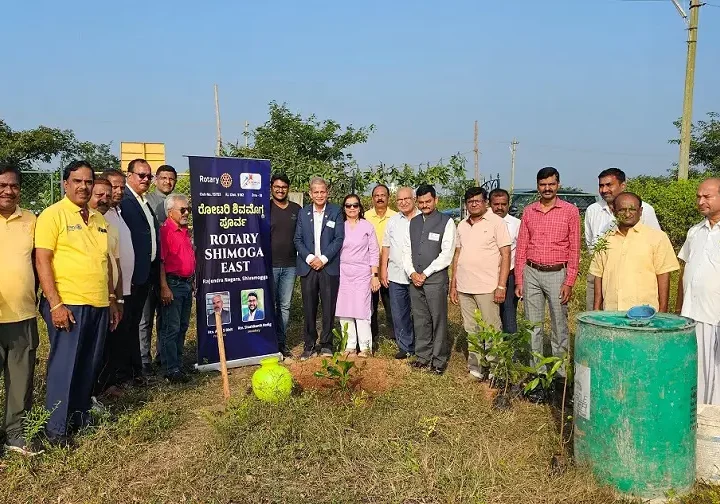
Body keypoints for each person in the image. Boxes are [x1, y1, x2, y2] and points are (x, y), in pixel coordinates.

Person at [35, 160, 120, 446]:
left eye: (88, 181)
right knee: (65, 367)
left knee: (88, 365)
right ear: (65, 184)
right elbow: (42, 260)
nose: (83, 186)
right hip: (68, 304)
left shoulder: (98, 219)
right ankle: (55, 431)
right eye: (77, 181)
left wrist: (111, 300)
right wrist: (55, 304)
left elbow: (104, 263)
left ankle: (79, 420)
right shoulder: (52, 215)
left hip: (97, 304)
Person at [515, 167, 580, 376]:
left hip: (557, 273)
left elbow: (575, 248)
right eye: (543, 185)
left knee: (559, 325)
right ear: (537, 186)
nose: (547, 188)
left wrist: (569, 281)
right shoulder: (529, 211)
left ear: (558, 185)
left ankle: (559, 374)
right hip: (531, 273)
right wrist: (519, 280)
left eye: (551, 184)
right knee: (533, 325)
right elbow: (522, 247)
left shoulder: (569, 211)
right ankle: (538, 372)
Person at [0, 162, 42, 456]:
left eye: (13, 186)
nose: (8, 191)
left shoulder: (32, 220)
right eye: (2, 185)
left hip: (23, 314)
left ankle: (15, 435)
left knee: (21, 380)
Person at [451, 187, 511, 380]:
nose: (474, 204)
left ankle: (496, 369)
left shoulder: (496, 222)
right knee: (471, 329)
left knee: (491, 328)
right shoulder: (461, 225)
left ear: (485, 202)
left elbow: (506, 254)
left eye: (477, 200)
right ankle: (476, 368)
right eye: (470, 201)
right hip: (465, 287)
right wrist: (454, 284)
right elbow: (458, 254)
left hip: (488, 287)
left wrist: (501, 285)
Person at [584, 168, 661, 310]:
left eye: (609, 185)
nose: (604, 190)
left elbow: (656, 243)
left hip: (634, 278)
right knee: (596, 319)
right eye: (601, 185)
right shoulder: (592, 210)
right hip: (598, 273)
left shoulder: (644, 209)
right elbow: (591, 243)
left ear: (623, 186)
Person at [590, 192, 678, 312]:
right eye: (622, 210)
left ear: (640, 211)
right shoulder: (605, 239)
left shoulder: (657, 237)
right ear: (614, 211)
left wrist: (662, 312)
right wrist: (596, 310)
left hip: (645, 313)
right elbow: (598, 275)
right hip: (611, 313)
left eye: (632, 209)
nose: (627, 214)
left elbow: (663, 275)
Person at [402, 184, 456, 374]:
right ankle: (423, 356)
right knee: (420, 318)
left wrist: (426, 273)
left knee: (438, 319)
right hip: (415, 280)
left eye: (428, 201)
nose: (425, 205)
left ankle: (439, 360)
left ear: (436, 200)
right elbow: (406, 250)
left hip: (435, 280)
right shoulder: (414, 222)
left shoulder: (446, 222)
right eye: (421, 202)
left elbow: (447, 254)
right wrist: (411, 273)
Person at [677, 178, 720, 405]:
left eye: (707, 196)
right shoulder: (695, 231)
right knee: (695, 374)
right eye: (698, 196)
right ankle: (698, 421)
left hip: (715, 316)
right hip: (692, 315)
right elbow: (685, 271)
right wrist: (678, 309)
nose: (700, 201)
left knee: (716, 374)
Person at [294, 177, 345, 360]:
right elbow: (297, 240)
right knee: (309, 307)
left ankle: (327, 344)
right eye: (316, 192)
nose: (319, 195)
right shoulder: (303, 213)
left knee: (328, 307)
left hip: (328, 266)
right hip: (308, 267)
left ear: (327, 192)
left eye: (322, 191)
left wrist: (323, 259)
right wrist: (309, 258)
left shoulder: (336, 211)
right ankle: (309, 345)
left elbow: (339, 239)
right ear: (310, 194)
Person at [96, 169, 135, 396]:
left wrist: (119, 296)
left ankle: (112, 381)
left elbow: (117, 259)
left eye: (119, 189)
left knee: (119, 338)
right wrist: (113, 296)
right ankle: (102, 386)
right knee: (107, 342)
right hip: (101, 295)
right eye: (113, 188)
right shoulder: (100, 217)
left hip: (123, 289)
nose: (114, 194)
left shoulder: (117, 213)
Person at [120, 158, 160, 380]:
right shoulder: (124, 201)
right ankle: (127, 371)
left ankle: (135, 369)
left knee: (135, 323)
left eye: (148, 176)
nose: (145, 179)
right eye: (141, 175)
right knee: (129, 325)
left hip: (146, 273)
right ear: (129, 175)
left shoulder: (143, 201)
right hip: (131, 276)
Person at [88, 179, 125, 398]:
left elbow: (114, 263)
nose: (104, 200)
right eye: (99, 195)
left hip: (108, 296)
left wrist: (117, 298)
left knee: (105, 346)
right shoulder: (83, 224)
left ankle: (101, 389)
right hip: (87, 297)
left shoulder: (108, 224)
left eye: (107, 196)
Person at [140, 165, 177, 368]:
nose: (167, 182)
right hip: (149, 268)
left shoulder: (178, 202)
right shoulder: (146, 202)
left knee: (166, 318)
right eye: (163, 178)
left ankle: (163, 358)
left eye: (171, 179)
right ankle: (143, 360)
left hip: (169, 269)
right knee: (145, 318)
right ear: (156, 179)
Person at [336, 194, 380, 357]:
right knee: (345, 310)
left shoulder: (367, 226)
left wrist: (374, 275)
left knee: (361, 310)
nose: (352, 208)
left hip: (362, 274)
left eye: (355, 205)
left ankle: (366, 347)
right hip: (343, 273)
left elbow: (374, 252)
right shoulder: (340, 226)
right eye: (348, 205)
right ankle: (349, 345)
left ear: (360, 207)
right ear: (344, 208)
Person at [158, 194, 194, 384]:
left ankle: (178, 364)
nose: (186, 212)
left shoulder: (185, 230)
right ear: (170, 212)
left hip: (186, 284)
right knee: (170, 328)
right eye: (183, 209)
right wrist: (164, 287)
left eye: (188, 209)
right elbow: (161, 262)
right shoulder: (165, 232)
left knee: (182, 326)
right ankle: (170, 369)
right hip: (173, 284)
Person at [381, 187, 420, 359]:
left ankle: (422, 345)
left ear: (414, 199)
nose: (403, 202)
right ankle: (405, 346)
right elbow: (386, 247)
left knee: (420, 312)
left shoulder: (423, 218)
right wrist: (383, 270)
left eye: (407, 199)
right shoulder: (393, 221)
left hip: (418, 276)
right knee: (399, 313)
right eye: (399, 200)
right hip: (396, 275)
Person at [269, 173, 301, 358]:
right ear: (272, 187)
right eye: (277, 187)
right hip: (270, 265)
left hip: (290, 265)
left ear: (288, 188)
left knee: (285, 306)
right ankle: (269, 342)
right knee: (270, 305)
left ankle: (281, 343)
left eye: (284, 187)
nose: (280, 190)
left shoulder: (296, 209)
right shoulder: (265, 208)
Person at [365, 184, 396, 349]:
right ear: (372, 198)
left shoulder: (396, 217)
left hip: (390, 267)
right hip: (370, 269)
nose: (380, 198)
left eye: (383, 195)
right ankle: (372, 335)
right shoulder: (365, 216)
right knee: (370, 304)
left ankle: (395, 335)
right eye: (376, 195)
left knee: (392, 303)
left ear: (388, 197)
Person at [489, 188, 521, 333]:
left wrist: (519, 280)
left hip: (509, 276)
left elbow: (521, 253)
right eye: (496, 204)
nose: (500, 207)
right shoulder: (484, 223)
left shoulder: (516, 224)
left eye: (503, 204)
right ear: (490, 204)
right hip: (487, 276)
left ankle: (510, 353)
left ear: (508, 205)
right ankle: (489, 351)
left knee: (508, 315)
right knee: (488, 315)